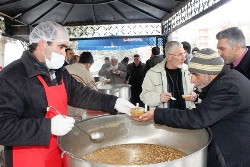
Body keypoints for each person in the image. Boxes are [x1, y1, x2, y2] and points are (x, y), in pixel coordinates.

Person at [0, 21, 134, 167]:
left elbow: (81, 94)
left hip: (58, 153)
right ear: (43, 44)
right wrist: (48, 127)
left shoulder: (59, 72)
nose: (64, 53)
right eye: (61, 47)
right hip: (28, 160)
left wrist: (114, 103)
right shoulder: (11, 77)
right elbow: (3, 128)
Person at [136, 48, 250, 167]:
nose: (192, 80)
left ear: (210, 73)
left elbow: (198, 118)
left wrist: (157, 114)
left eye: (196, 74)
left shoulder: (230, 88)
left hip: (235, 155)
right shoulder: (225, 80)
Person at [140, 41, 196, 110]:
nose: (184, 58)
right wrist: (159, 98)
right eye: (180, 55)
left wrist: (195, 96)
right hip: (163, 118)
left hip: (186, 117)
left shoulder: (189, 71)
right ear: (169, 56)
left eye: (184, 54)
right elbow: (144, 96)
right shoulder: (153, 73)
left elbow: (199, 91)